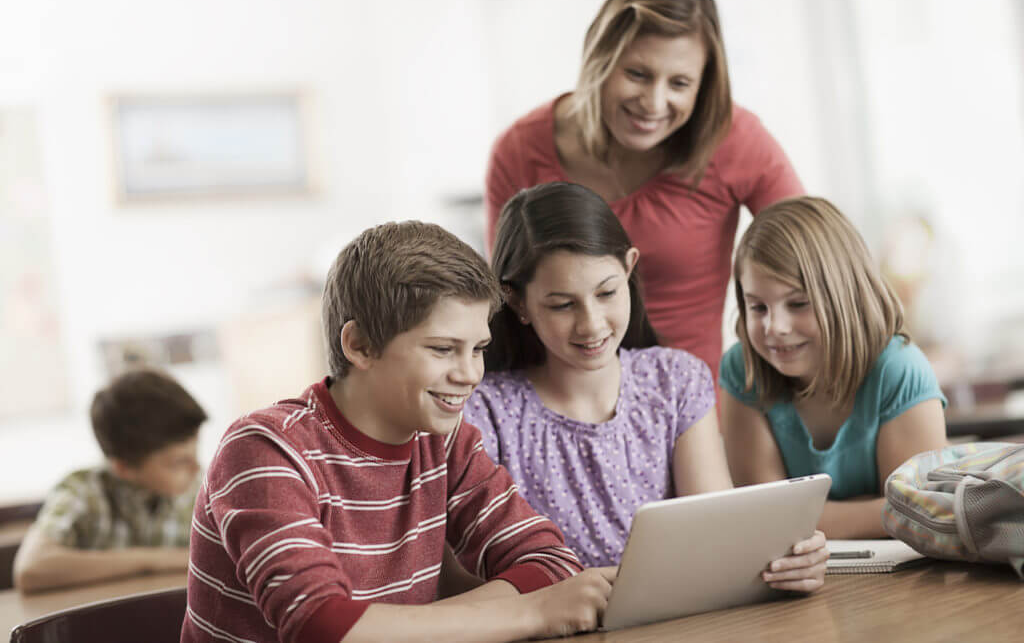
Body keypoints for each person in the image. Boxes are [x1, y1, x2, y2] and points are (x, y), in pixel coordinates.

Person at [181, 221, 617, 643]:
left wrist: (404, 629)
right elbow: (320, 626)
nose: (469, 374)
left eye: (478, 349)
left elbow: (550, 562)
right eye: (443, 349)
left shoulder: (445, 444)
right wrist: (530, 612)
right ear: (360, 345)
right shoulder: (264, 449)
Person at [463, 182, 826, 592]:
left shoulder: (675, 381)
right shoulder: (486, 412)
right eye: (562, 304)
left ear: (630, 267)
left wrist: (790, 563)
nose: (592, 323)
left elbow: (717, 534)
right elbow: (478, 577)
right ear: (518, 303)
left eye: (607, 293)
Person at [486, 0, 803, 379]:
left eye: (679, 83)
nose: (654, 103)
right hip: (561, 407)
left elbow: (816, 259)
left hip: (694, 407)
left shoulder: (738, 140)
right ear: (600, 58)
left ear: (703, 85)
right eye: (637, 74)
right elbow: (506, 304)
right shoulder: (519, 151)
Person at [719, 196, 949, 539]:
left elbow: (922, 512)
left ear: (845, 295)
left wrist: (806, 516)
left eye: (798, 303)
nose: (775, 327)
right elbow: (766, 520)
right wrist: (875, 509)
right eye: (757, 307)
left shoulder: (899, 368)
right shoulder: (742, 369)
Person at [13, 369, 205, 593]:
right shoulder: (84, 490)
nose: (197, 468)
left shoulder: (196, 492)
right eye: (178, 462)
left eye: (195, 451)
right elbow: (31, 569)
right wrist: (152, 561)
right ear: (123, 467)